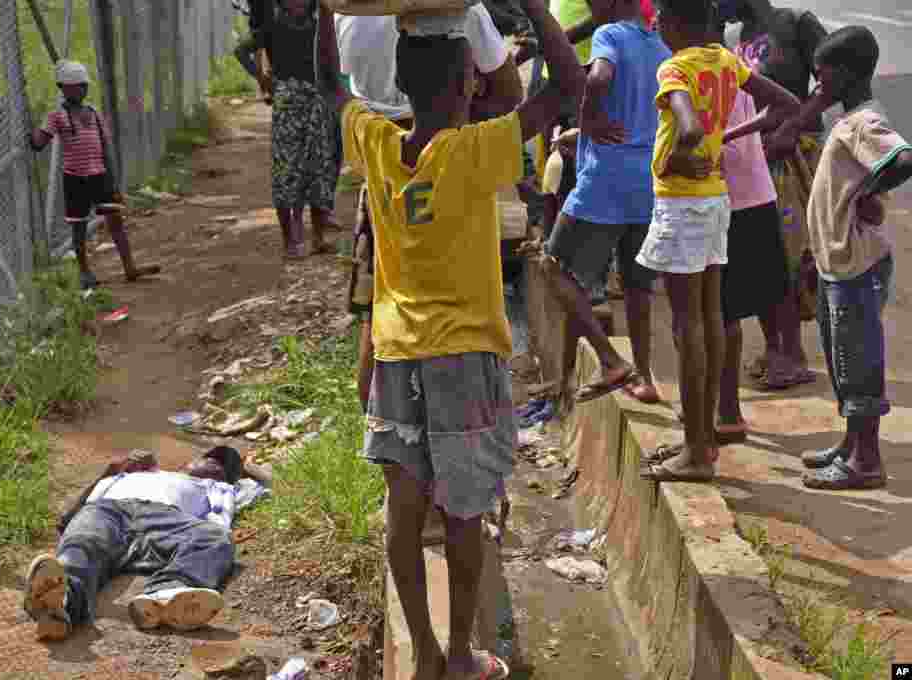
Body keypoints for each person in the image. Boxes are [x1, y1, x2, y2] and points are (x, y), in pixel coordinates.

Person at [321, 0, 583, 675]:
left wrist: (326, 10)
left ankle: (429, 654)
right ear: (467, 81)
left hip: (397, 351)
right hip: (463, 357)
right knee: (466, 513)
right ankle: (463, 653)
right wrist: (530, 6)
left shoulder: (377, 144)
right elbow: (568, 87)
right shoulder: (475, 151)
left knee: (403, 516)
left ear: (404, 85)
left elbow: (329, 83)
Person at [636, 0, 798, 483]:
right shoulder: (726, 60)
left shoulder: (674, 68)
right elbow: (785, 102)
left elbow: (685, 126)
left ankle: (697, 451)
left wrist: (677, 156)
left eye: (661, 17)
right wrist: (719, 140)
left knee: (688, 329)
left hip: (682, 204)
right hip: (714, 202)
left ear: (678, 23)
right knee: (709, 320)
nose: (656, 23)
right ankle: (701, 438)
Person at [336, 8, 523, 412]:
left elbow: (335, 84)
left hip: (382, 169)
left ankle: (380, 425)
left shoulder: (352, 16)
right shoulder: (463, 12)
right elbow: (510, 93)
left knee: (378, 304)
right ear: (466, 84)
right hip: (454, 162)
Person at [533, 0, 671, 406]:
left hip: (605, 181)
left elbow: (598, 80)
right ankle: (643, 377)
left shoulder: (608, 36)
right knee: (636, 286)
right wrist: (586, 131)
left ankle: (610, 360)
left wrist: (588, 118)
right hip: (646, 181)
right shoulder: (661, 47)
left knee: (554, 267)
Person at [798, 27, 912, 490]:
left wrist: (873, 189)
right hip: (837, 264)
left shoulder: (864, 123)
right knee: (842, 358)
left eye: (822, 80)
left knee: (858, 363)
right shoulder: (847, 121)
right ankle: (851, 444)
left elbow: (902, 159)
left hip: (856, 267)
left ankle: (865, 462)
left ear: (848, 75)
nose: (816, 89)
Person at [23, 446, 260, 641]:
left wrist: (248, 471)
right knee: (82, 543)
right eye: (208, 457)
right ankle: (60, 605)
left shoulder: (221, 489)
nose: (210, 463)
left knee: (217, 538)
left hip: (165, 520)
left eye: (219, 465)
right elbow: (66, 520)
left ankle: (168, 594)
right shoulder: (137, 472)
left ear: (224, 475)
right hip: (109, 511)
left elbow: (258, 490)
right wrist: (111, 470)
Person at [719, 0, 828, 389]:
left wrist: (793, 127)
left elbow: (833, 82)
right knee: (763, 253)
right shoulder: (732, 35)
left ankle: (792, 353)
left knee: (791, 254)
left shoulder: (795, 23)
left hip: (795, 154)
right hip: (755, 156)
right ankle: (774, 347)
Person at [712, 12, 790, 447]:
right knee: (736, 308)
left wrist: (723, 140)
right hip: (751, 193)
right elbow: (777, 107)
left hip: (731, 199)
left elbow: (781, 107)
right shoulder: (732, 60)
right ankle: (728, 408)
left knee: (722, 312)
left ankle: (727, 412)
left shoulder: (704, 66)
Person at [30, 61, 160, 291]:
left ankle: (130, 267)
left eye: (84, 86)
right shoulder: (57, 117)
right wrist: (32, 130)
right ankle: (84, 273)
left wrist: (114, 182)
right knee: (78, 229)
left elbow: (105, 148)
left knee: (116, 222)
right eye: (77, 86)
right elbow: (39, 143)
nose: (83, 90)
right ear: (64, 88)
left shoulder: (93, 113)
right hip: (75, 180)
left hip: (100, 176)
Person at [257, 0, 340, 259]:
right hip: (288, 106)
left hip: (316, 103)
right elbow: (243, 51)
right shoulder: (272, 27)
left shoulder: (319, 27)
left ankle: (317, 238)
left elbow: (331, 63)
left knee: (319, 170)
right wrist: (263, 78)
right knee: (286, 171)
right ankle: (289, 242)